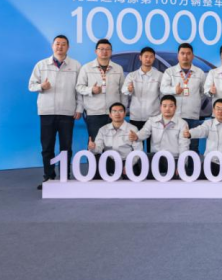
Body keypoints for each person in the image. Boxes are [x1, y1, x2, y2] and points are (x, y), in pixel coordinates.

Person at [28, 35, 83, 189]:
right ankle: (49, 177)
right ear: (52, 46)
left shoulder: (75, 65)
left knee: (66, 147)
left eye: (63, 44)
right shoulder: (41, 65)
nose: (60, 47)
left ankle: (65, 177)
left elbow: (79, 89)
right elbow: (31, 85)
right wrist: (41, 86)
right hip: (47, 112)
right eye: (57, 44)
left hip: (67, 112)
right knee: (47, 147)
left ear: (68, 47)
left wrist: (79, 108)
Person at [161, 43, 206, 155]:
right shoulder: (170, 72)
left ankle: (192, 167)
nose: (185, 56)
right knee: (173, 147)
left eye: (188, 53)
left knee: (193, 147)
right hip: (175, 116)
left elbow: (202, 92)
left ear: (192, 56)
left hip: (193, 116)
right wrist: (174, 90)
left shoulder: (199, 73)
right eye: (182, 53)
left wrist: (194, 101)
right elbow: (163, 89)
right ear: (178, 55)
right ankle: (175, 167)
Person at [76, 39, 124, 142]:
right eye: (101, 49)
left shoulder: (118, 68)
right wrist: (91, 90)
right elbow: (79, 87)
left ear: (111, 51)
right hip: (94, 113)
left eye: (107, 49)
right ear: (96, 51)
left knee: (113, 144)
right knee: (95, 143)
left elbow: (122, 91)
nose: (104, 51)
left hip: (113, 113)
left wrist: (122, 110)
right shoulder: (86, 68)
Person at [183, 99, 222, 178]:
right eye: (217, 108)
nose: (220, 111)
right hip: (210, 163)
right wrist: (190, 133)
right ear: (213, 110)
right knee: (199, 181)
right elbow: (201, 130)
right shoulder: (208, 123)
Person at [136, 95, 190, 180]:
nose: (167, 109)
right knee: (143, 160)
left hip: (173, 158)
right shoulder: (152, 121)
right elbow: (143, 133)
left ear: (175, 107)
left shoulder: (182, 123)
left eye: (171, 106)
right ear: (160, 107)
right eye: (164, 106)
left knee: (178, 174)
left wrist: (181, 164)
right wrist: (136, 136)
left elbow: (184, 145)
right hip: (156, 157)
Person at [121, 47, 162, 153]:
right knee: (136, 147)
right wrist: (129, 89)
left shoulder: (159, 76)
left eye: (151, 57)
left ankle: (152, 164)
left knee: (153, 147)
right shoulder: (132, 75)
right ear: (140, 58)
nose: (148, 59)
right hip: (136, 116)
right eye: (146, 56)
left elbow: (163, 96)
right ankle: (138, 164)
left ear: (154, 58)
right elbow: (124, 91)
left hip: (153, 116)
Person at [88, 103, 143, 179]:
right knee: (96, 158)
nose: (117, 114)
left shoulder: (133, 129)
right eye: (114, 111)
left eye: (120, 111)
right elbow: (98, 149)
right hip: (110, 161)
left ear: (125, 114)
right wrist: (93, 147)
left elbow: (138, 150)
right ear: (110, 115)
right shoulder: (103, 129)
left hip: (126, 161)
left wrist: (129, 165)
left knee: (132, 179)